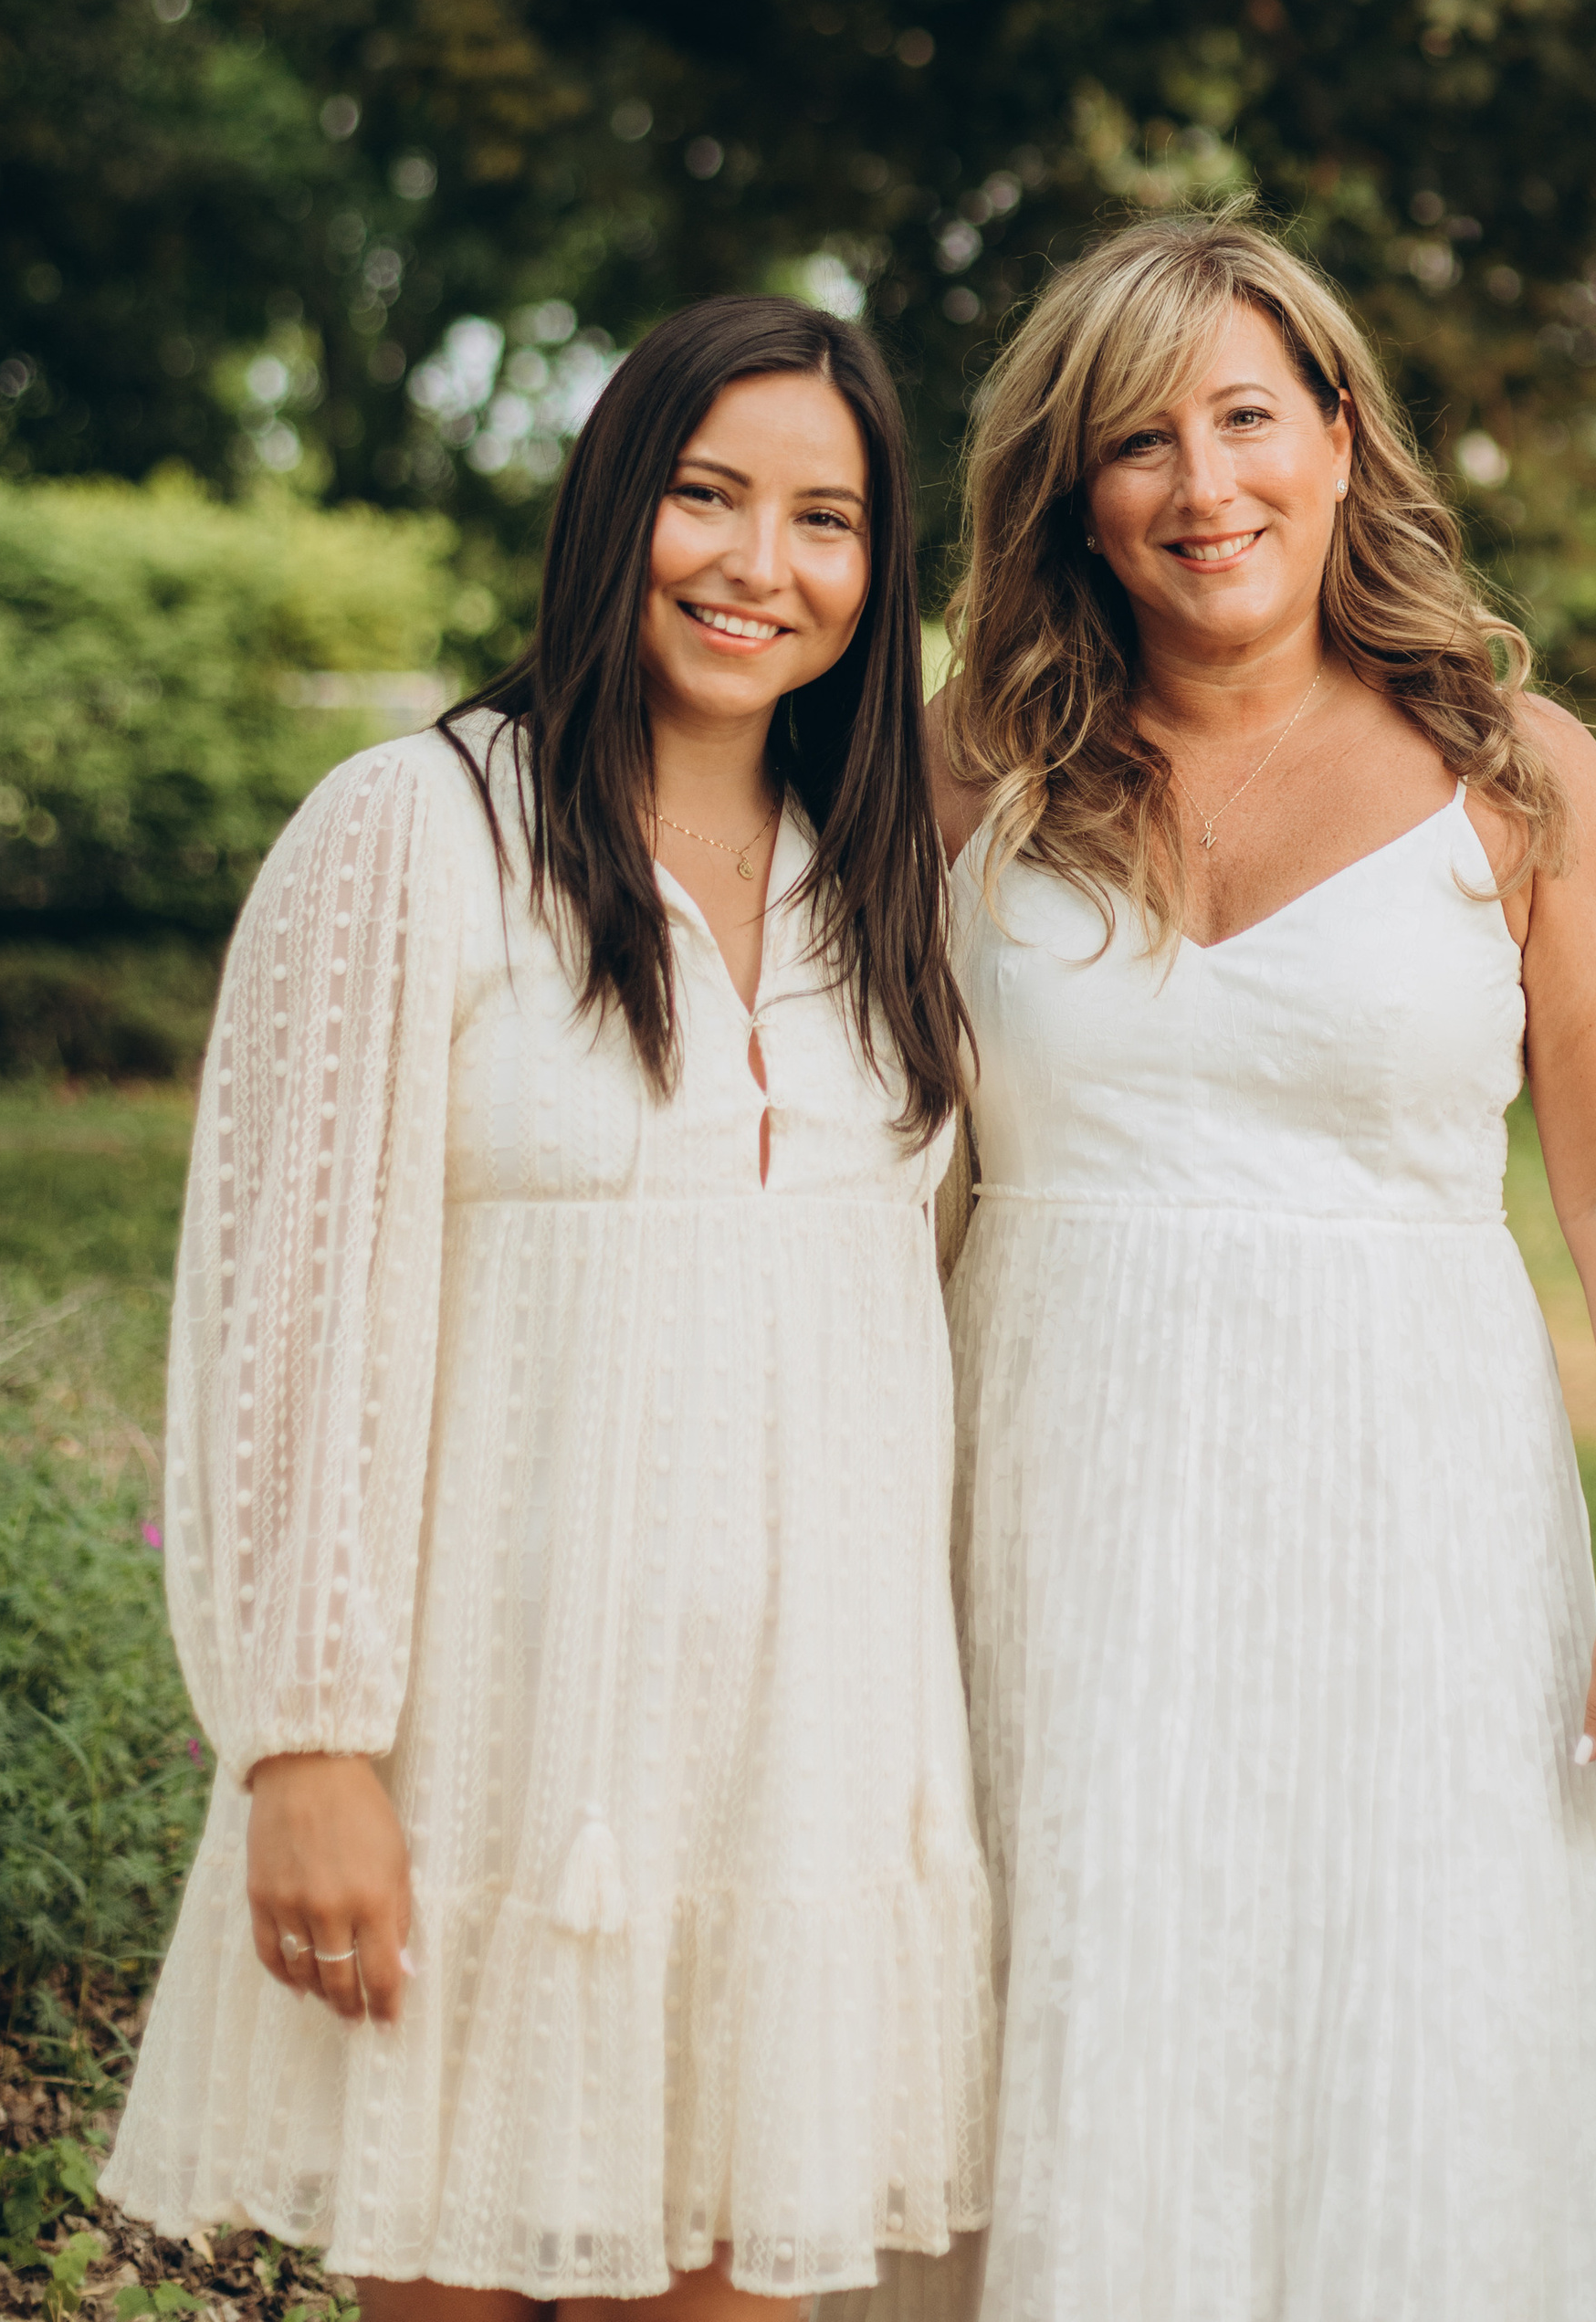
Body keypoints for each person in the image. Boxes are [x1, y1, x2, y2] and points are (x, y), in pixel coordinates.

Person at [854, 212, 1596, 2322]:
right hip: (1049, 1493)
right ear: (1071, 492)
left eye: (1245, 415)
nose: (1201, 483)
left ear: (1340, 438)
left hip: (1411, 1504)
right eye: (1135, 441)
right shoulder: (969, 759)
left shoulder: (1519, 777)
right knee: (1077, 1984)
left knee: (1412, 2005)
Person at [104, 298, 995, 2317]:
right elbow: (286, 1311)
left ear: (878, 573)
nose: (759, 565)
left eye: (825, 520)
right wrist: (302, 1740)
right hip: (504, 1759)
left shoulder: (887, 888)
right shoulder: (413, 833)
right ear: (614, 510)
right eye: (707, 496)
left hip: (807, 1769)